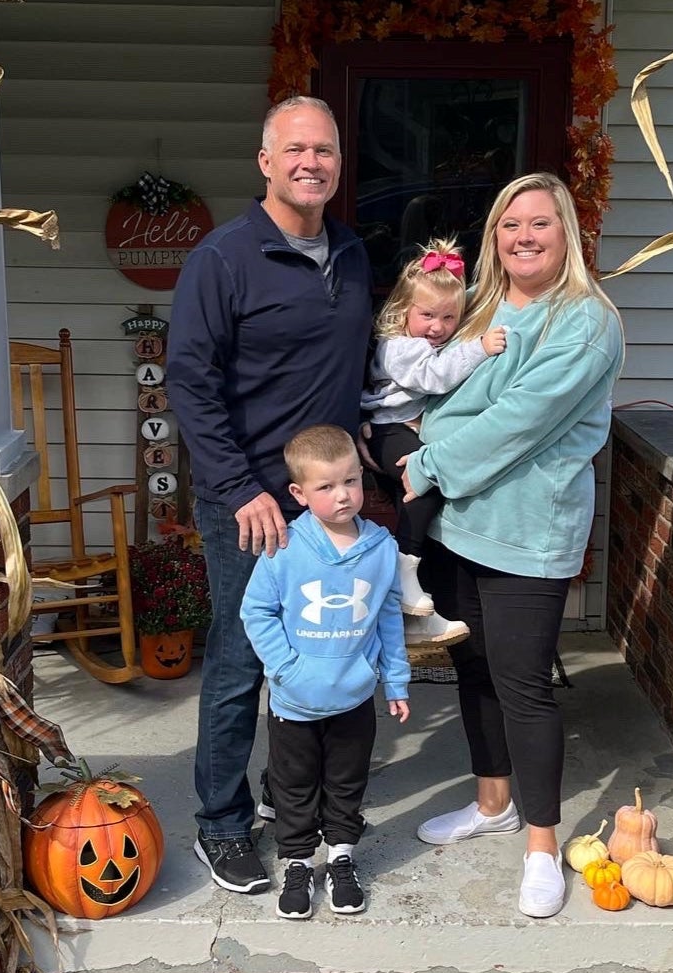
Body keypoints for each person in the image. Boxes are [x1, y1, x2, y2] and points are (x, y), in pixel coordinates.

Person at [399, 172, 624, 918]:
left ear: (568, 235)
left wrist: (430, 457)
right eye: (508, 225)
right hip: (455, 523)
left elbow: (521, 418)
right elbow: (440, 395)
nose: (523, 236)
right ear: (494, 237)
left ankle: (540, 845)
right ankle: (491, 802)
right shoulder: (485, 309)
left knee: (524, 685)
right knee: (473, 667)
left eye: (540, 224)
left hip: (528, 529)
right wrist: (443, 429)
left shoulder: (585, 322)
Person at [166, 97, 373, 896]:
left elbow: (369, 366)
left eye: (324, 149)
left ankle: (310, 810)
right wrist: (236, 487)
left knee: (326, 652)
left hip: (331, 498)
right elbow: (191, 381)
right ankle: (222, 821)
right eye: (295, 150)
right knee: (243, 659)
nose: (311, 162)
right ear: (265, 161)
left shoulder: (351, 253)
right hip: (249, 501)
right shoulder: (224, 259)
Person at [240, 425, 410, 919]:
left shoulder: (380, 548)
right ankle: (296, 862)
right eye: (326, 487)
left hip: (354, 697)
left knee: (346, 783)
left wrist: (394, 680)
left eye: (351, 482)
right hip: (294, 701)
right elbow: (257, 612)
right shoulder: (286, 546)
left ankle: (340, 857)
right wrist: (286, 668)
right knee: (294, 787)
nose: (343, 496)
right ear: (298, 493)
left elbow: (388, 616)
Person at [361, 237, 507, 644]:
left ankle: (415, 610)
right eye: (427, 315)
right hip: (387, 430)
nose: (438, 327)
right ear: (402, 310)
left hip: (407, 430)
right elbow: (436, 376)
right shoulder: (400, 347)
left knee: (422, 502)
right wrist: (480, 348)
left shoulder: (431, 340)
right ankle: (403, 569)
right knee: (422, 485)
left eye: (448, 317)